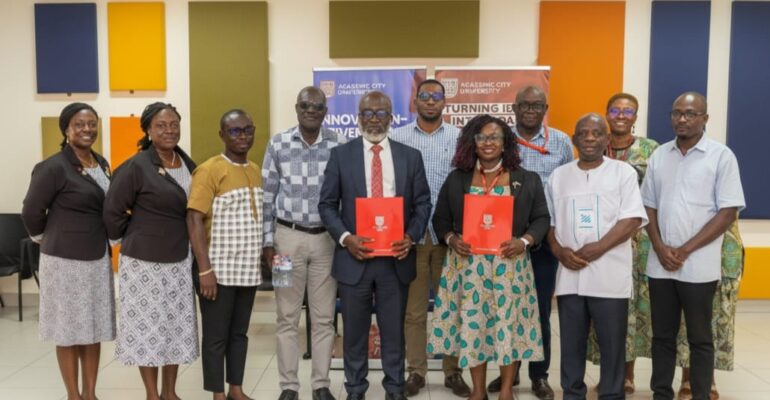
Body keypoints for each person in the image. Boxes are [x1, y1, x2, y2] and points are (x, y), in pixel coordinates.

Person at [318, 91, 431, 400]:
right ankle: (355, 389)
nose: (374, 119)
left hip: (396, 259)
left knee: (394, 330)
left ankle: (394, 389)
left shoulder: (410, 156)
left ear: (391, 118)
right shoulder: (341, 155)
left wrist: (411, 236)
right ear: (358, 117)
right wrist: (346, 238)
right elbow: (327, 205)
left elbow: (423, 204)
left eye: (381, 113)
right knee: (354, 332)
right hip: (355, 259)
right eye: (367, 113)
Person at [429, 114, 550, 400]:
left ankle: (507, 389)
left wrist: (524, 241)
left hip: (510, 266)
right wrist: (451, 239)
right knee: (475, 329)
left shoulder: (526, 179)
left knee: (508, 328)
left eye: (494, 137)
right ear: (472, 142)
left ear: (505, 143)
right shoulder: (458, 178)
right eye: (481, 137)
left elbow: (542, 218)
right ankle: (479, 391)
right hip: (468, 268)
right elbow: (440, 219)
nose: (487, 142)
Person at [641, 92, 745, 400]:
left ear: (705, 119)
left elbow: (727, 212)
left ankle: (700, 393)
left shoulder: (721, 156)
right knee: (662, 336)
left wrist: (684, 250)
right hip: (660, 264)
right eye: (676, 113)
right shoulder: (660, 155)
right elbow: (648, 206)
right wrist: (659, 247)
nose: (682, 119)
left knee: (700, 338)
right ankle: (661, 393)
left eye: (690, 114)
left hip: (698, 266)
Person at [546, 113, 648, 400]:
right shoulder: (559, 176)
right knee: (571, 344)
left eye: (596, 133)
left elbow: (631, 220)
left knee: (612, 344)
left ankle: (612, 394)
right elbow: (550, 224)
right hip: (570, 274)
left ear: (606, 139)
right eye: (584, 133)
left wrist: (598, 248)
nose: (590, 138)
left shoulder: (623, 173)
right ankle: (572, 393)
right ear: (575, 139)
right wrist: (559, 251)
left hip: (609, 273)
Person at [104, 102, 199, 400]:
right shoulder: (136, 166)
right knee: (149, 330)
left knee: (174, 326)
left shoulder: (187, 163)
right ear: (147, 129)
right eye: (161, 125)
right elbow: (112, 210)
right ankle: (151, 394)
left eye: (174, 124)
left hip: (181, 259)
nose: (169, 130)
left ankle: (170, 392)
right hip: (145, 262)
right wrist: (133, 232)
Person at [21, 102, 115, 400]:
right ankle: (73, 395)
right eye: (79, 124)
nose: (87, 129)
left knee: (93, 327)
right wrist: (43, 237)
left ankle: (91, 393)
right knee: (68, 329)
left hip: (97, 258)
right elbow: (31, 211)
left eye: (91, 123)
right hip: (64, 261)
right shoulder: (53, 167)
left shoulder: (101, 162)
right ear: (66, 129)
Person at [487, 85, 573, 400]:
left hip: (544, 239)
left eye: (537, 105)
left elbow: (568, 186)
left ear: (545, 107)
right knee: (504, 310)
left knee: (537, 312)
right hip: (504, 241)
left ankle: (539, 375)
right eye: (525, 104)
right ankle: (508, 374)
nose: (530, 110)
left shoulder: (562, 142)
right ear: (515, 107)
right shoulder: (500, 139)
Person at [261, 86, 346, 400]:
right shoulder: (279, 143)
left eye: (318, 106)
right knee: (286, 316)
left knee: (324, 317)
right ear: (296, 108)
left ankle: (321, 385)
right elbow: (267, 196)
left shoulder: (339, 144)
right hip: (286, 241)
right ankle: (289, 387)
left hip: (327, 242)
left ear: (325, 111)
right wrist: (268, 243)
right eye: (305, 105)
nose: (311, 110)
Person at [391, 79, 469, 398]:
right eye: (424, 96)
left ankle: (452, 372)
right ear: (415, 102)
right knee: (414, 310)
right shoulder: (398, 137)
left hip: (450, 235)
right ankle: (416, 372)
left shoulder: (460, 139)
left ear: (444, 102)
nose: (430, 102)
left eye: (437, 96)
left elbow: (468, 183)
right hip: (412, 236)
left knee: (452, 307)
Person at [585, 93, 659, 394]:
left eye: (628, 111)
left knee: (636, 309)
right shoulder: (594, 147)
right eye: (615, 109)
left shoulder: (651, 150)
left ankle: (628, 375)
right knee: (607, 310)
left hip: (640, 241)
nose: (621, 115)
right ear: (606, 113)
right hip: (601, 241)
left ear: (635, 117)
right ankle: (610, 374)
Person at [187, 109, 263, 400]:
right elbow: (194, 219)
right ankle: (218, 394)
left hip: (247, 270)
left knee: (239, 334)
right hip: (217, 270)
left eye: (247, 129)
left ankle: (236, 389)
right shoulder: (209, 170)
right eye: (234, 131)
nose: (242, 136)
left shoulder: (255, 169)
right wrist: (204, 270)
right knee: (216, 337)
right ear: (222, 135)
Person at [676, 221, 744, 400]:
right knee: (686, 315)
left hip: (724, 243)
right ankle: (688, 377)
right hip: (684, 239)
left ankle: (707, 380)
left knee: (716, 316)